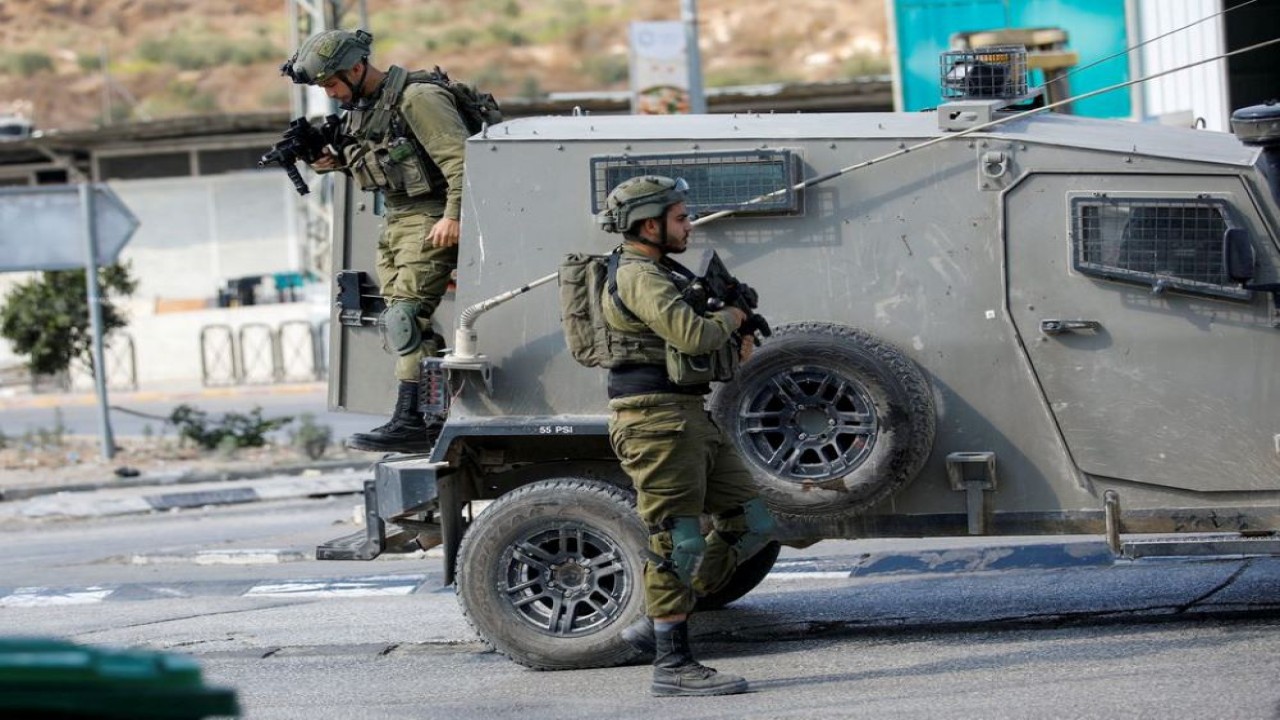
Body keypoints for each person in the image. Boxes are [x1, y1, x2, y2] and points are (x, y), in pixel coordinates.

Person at [596, 175, 776, 697]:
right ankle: (672, 664)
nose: (688, 226)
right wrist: (734, 315)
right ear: (648, 225)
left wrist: (735, 336)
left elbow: (694, 345)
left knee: (753, 522)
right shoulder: (638, 276)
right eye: (679, 218)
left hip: (687, 414)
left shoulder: (660, 270)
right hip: (654, 420)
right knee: (680, 540)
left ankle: (659, 622)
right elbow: (692, 334)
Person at [281, 29, 469, 453]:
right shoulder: (365, 108)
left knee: (405, 317)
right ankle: (431, 415)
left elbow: (462, 159)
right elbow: (384, 165)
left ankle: (413, 420)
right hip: (398, 218)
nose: (329, 94)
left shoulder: (418, 98)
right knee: (406, 325)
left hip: (430, 215)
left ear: (356, 68)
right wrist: (336, 163)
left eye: (331, 83)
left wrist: (453, 215)